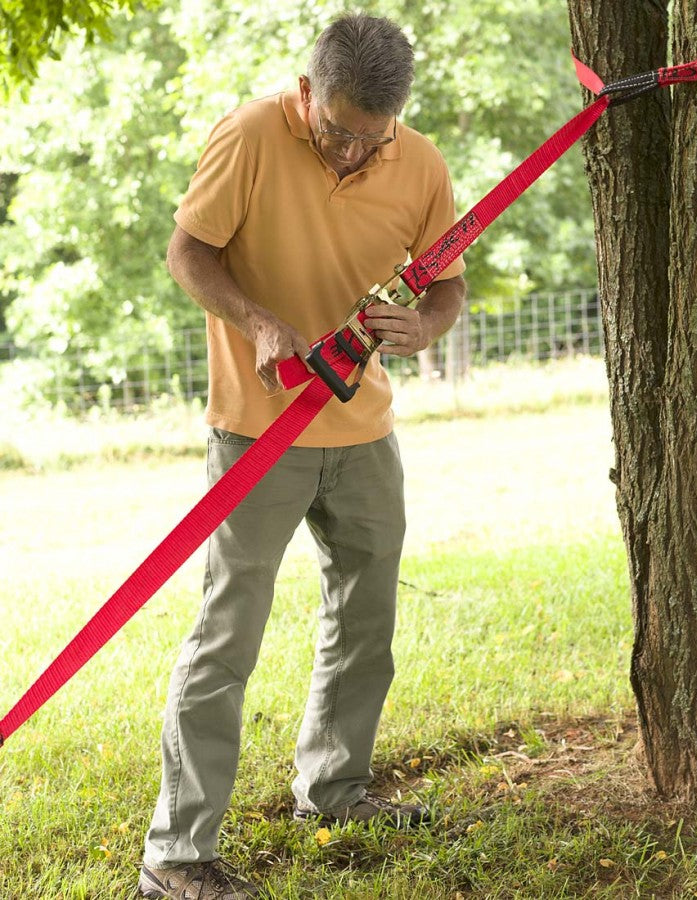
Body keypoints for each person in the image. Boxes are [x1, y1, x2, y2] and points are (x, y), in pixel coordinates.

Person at [139, 13, 467, 899]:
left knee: (367, 624)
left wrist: (424, 324)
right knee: (228, 632)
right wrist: (257, 320)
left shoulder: (421, 161)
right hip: (258, 430)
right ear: (308, 90)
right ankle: (176, 853)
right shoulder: (248, 134)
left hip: (364, 433)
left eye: (374, 138)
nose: (356, 153)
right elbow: (188, 251)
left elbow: (447, 282)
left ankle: (333, 791)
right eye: (339, 132)